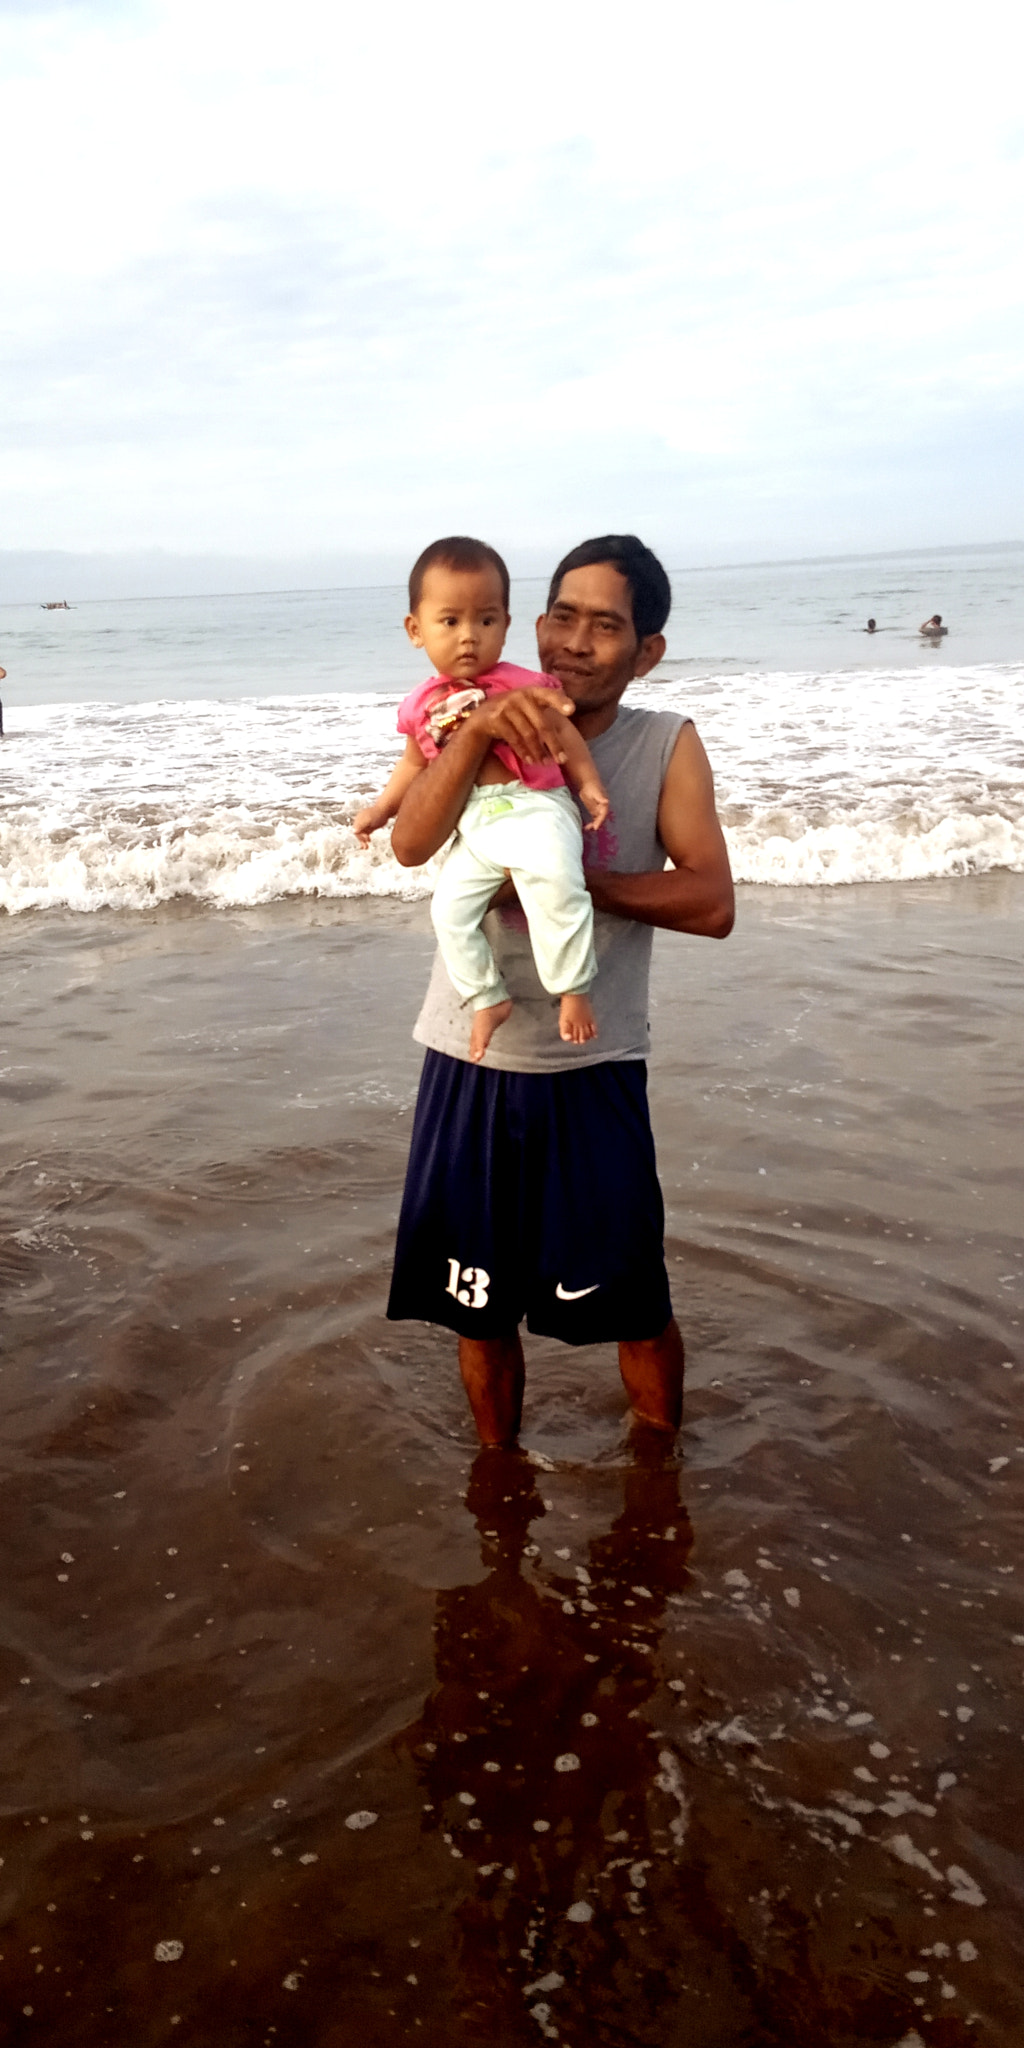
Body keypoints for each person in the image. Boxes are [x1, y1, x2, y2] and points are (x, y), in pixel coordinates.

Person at [385, 534, 735, 1449]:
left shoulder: (665, 745)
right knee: (479, 1307)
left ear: (646, 650)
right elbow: (411, 845)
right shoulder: (468, 709)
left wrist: (571, 888)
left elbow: (710, 899)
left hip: (596, 1061)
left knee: (634, 1300)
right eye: (563, 618)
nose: (575, 642)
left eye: (606, 626)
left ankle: (658, 1472)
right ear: (534, 625)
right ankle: (497, 1476)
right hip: (472, 1054)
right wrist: (477, 740)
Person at [354, 537, 610, 1062]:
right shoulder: (420, 705)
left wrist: (587, 783)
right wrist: (381, 810)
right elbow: (412, 766)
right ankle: (486, 998)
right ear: (415, 629)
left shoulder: (524, 685)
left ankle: (574, 989)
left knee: (558, 881)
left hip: (535, 805)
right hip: (477, 823)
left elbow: (564, 736)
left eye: (486, 620)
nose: (469, 637)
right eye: (450, 621)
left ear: (507, 625)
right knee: (448, 909)